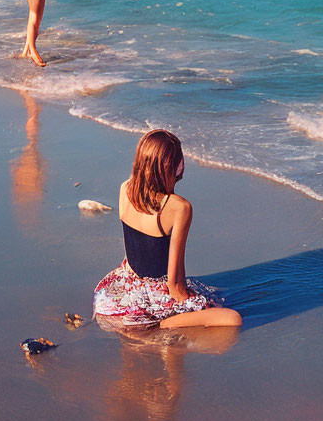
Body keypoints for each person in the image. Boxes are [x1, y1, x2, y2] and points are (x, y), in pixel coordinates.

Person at [93, 130, 242, 329]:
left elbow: (132, 255)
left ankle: (145, 321)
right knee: (232, 318)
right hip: (154, 297)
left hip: (125, 285)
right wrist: (194, 303)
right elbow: (174, 285)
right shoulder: (179, 207)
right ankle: (160, 325)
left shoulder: (125, 187)